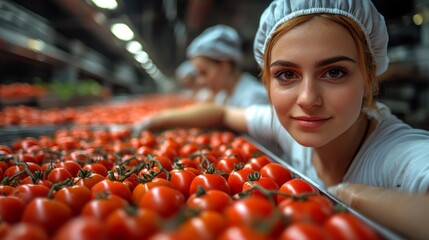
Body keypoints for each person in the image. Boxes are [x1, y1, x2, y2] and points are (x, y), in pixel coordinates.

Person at [136, 1, 429, 239]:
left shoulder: (399, 154)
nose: (307, 99)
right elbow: (223, 113)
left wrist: (350, 196)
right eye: (286, 75)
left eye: (335, 72)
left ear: (368, 76)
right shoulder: (286, 126)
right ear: (268, 83)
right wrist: (156, 120)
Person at [186, 24, 269, 107]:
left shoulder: (254, 97)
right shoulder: (222, 95)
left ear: (224, 66)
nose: (201, 81)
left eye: (204, 73)